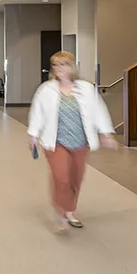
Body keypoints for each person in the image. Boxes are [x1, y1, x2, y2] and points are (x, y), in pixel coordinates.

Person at [27, 51, 118, 234]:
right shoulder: (46, 90)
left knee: (75, 179)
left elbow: (98, 110)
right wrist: (33, 135)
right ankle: (60, 216)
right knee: (61, 178)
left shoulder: (85, 88)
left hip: (80, 141)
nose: (60, 69)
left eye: (64, 64)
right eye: (56, 65)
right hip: (56, 141)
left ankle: (69, 211)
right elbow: (37, 113)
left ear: (71, 67)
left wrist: (106, 133)